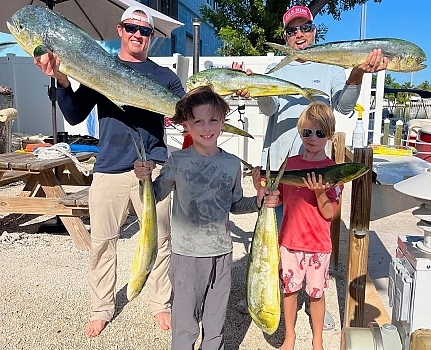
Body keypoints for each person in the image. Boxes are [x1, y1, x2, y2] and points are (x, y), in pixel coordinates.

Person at [233, 4, 388, 329]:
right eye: (292, 30)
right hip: (279, 170)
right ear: (286, 36)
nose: (299, 34)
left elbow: (344, 106)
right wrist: (255, 87)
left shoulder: (330, 67)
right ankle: (260, 295)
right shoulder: (276, 68)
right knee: (270, 237)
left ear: (314, 31)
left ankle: (313, 295)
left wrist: (357, 73)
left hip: (314, 172)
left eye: (305, 28)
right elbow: (269, 107)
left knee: (311, 238)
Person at [34, 6, 186, 337]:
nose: (137, 34)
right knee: (103, 241)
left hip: (154, 166)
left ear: (151, 36)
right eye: (131, 27)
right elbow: (74, 115)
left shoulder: (166, 77)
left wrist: (225, 101)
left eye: (144, 30)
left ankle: (161, 303)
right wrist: (60, 78)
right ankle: (101, 307)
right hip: (109, 166)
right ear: (120, 30)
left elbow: (187, 115)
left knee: (162, 242)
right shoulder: (100, 68)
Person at [134, 85, 280, 350]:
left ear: (223, 122)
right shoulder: (177, 161)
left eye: (213, 119)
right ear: (186, 124)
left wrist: (259, 201)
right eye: (198, 121)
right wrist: (143, 179)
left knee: (215, 322)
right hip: (186, 255)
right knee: (185, 320)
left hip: (222, 253)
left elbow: (235, 204)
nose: (206, 127)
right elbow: (154, 195)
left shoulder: (232, 163)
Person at [253, 102, 343, 350]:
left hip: (318, 243)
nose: (312, 138)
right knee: (289, 290)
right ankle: (289, 335)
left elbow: (329, 213)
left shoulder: (334, 170)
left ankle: (317, 340)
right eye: (307, 132)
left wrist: (321, 192)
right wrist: (259, 187)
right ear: (300, 131)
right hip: (290, 240)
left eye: (320, 133)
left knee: (316, 293)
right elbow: (276, 198)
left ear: (330, 135)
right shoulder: (289, 164)